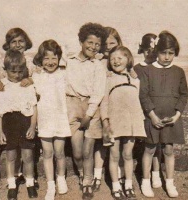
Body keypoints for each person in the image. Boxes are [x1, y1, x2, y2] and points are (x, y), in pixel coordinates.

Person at [139, 31, 188, 198]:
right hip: (152, 117)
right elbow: (143, 95)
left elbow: (183, 94)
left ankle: (169, 181)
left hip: (171, 119)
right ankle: (146, 181)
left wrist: (177, 115)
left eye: (171, 53)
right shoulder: (148, 70)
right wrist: (152, 116)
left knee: (168, 150)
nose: (167, 57)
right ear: (157, 52)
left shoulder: (179, 72)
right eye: (163, 52)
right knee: (149, 149)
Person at [65, 22, 108, 200]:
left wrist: (89, 114)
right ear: (81, 41)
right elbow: (45, 63)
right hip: (72, 106)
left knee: (87, 151)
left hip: (92, 108)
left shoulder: (98, 65)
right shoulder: (69, 61)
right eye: (90, 42)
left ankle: (87, 182)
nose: (93, 47)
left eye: (97, 44)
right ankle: (82, 173)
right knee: (77, 152)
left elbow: (98, 92)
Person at [101, 46, 146, 200]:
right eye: (112, 59)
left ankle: (128, 184)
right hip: (114, 123)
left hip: (131, 123)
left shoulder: (134, 79)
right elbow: (104, 103)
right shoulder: (108, 79)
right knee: (113, 156)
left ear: (128, 60)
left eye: (120, 58)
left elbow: (137, 101)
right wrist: (105, 123)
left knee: (128, 155)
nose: (115, 61)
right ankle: (115, 186)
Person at [0, 50, 38, 200]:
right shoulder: (1, 87)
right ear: (5, 70)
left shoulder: (27, 85)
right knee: (11, 156)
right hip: (8, 124)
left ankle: (30, 183)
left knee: (27, 155)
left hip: (24, 123)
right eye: (13, 71)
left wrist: (32, 126)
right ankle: (11, 184)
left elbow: (34, 107)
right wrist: (0, 131)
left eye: (20, 71)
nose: (17, 75)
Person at [32, 40, 71, 200]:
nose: (50, 62)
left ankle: (61, 178)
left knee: (60, 152)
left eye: (54, 58)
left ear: (59, 58)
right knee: (47, 152)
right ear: (41, 59)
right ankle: (51, 184)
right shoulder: (36, 76)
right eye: (46, 58)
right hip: (44, 118)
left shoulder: (63, 74)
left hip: (60, 118)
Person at [92, 26, 124, 192]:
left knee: (116, 143)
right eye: (106, 43)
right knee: (101, 142)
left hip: (117, 108)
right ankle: (97, 175)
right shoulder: (99, 62)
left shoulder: (121, 60)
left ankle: (117, 173)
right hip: (101, 106)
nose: (109, 46)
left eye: (113, 42)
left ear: (119, 43)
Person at [134, 33, 162, 189]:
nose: (150, 54)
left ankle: (156, 173)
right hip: (144, 111)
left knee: (158, 144)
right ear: (142, 50)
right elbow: (140, 92)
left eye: (153, 50)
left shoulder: (159, 67)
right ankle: (146, 176)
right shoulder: (138, 68)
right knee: (150, 144)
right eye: (147, 50)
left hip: (159, 110)